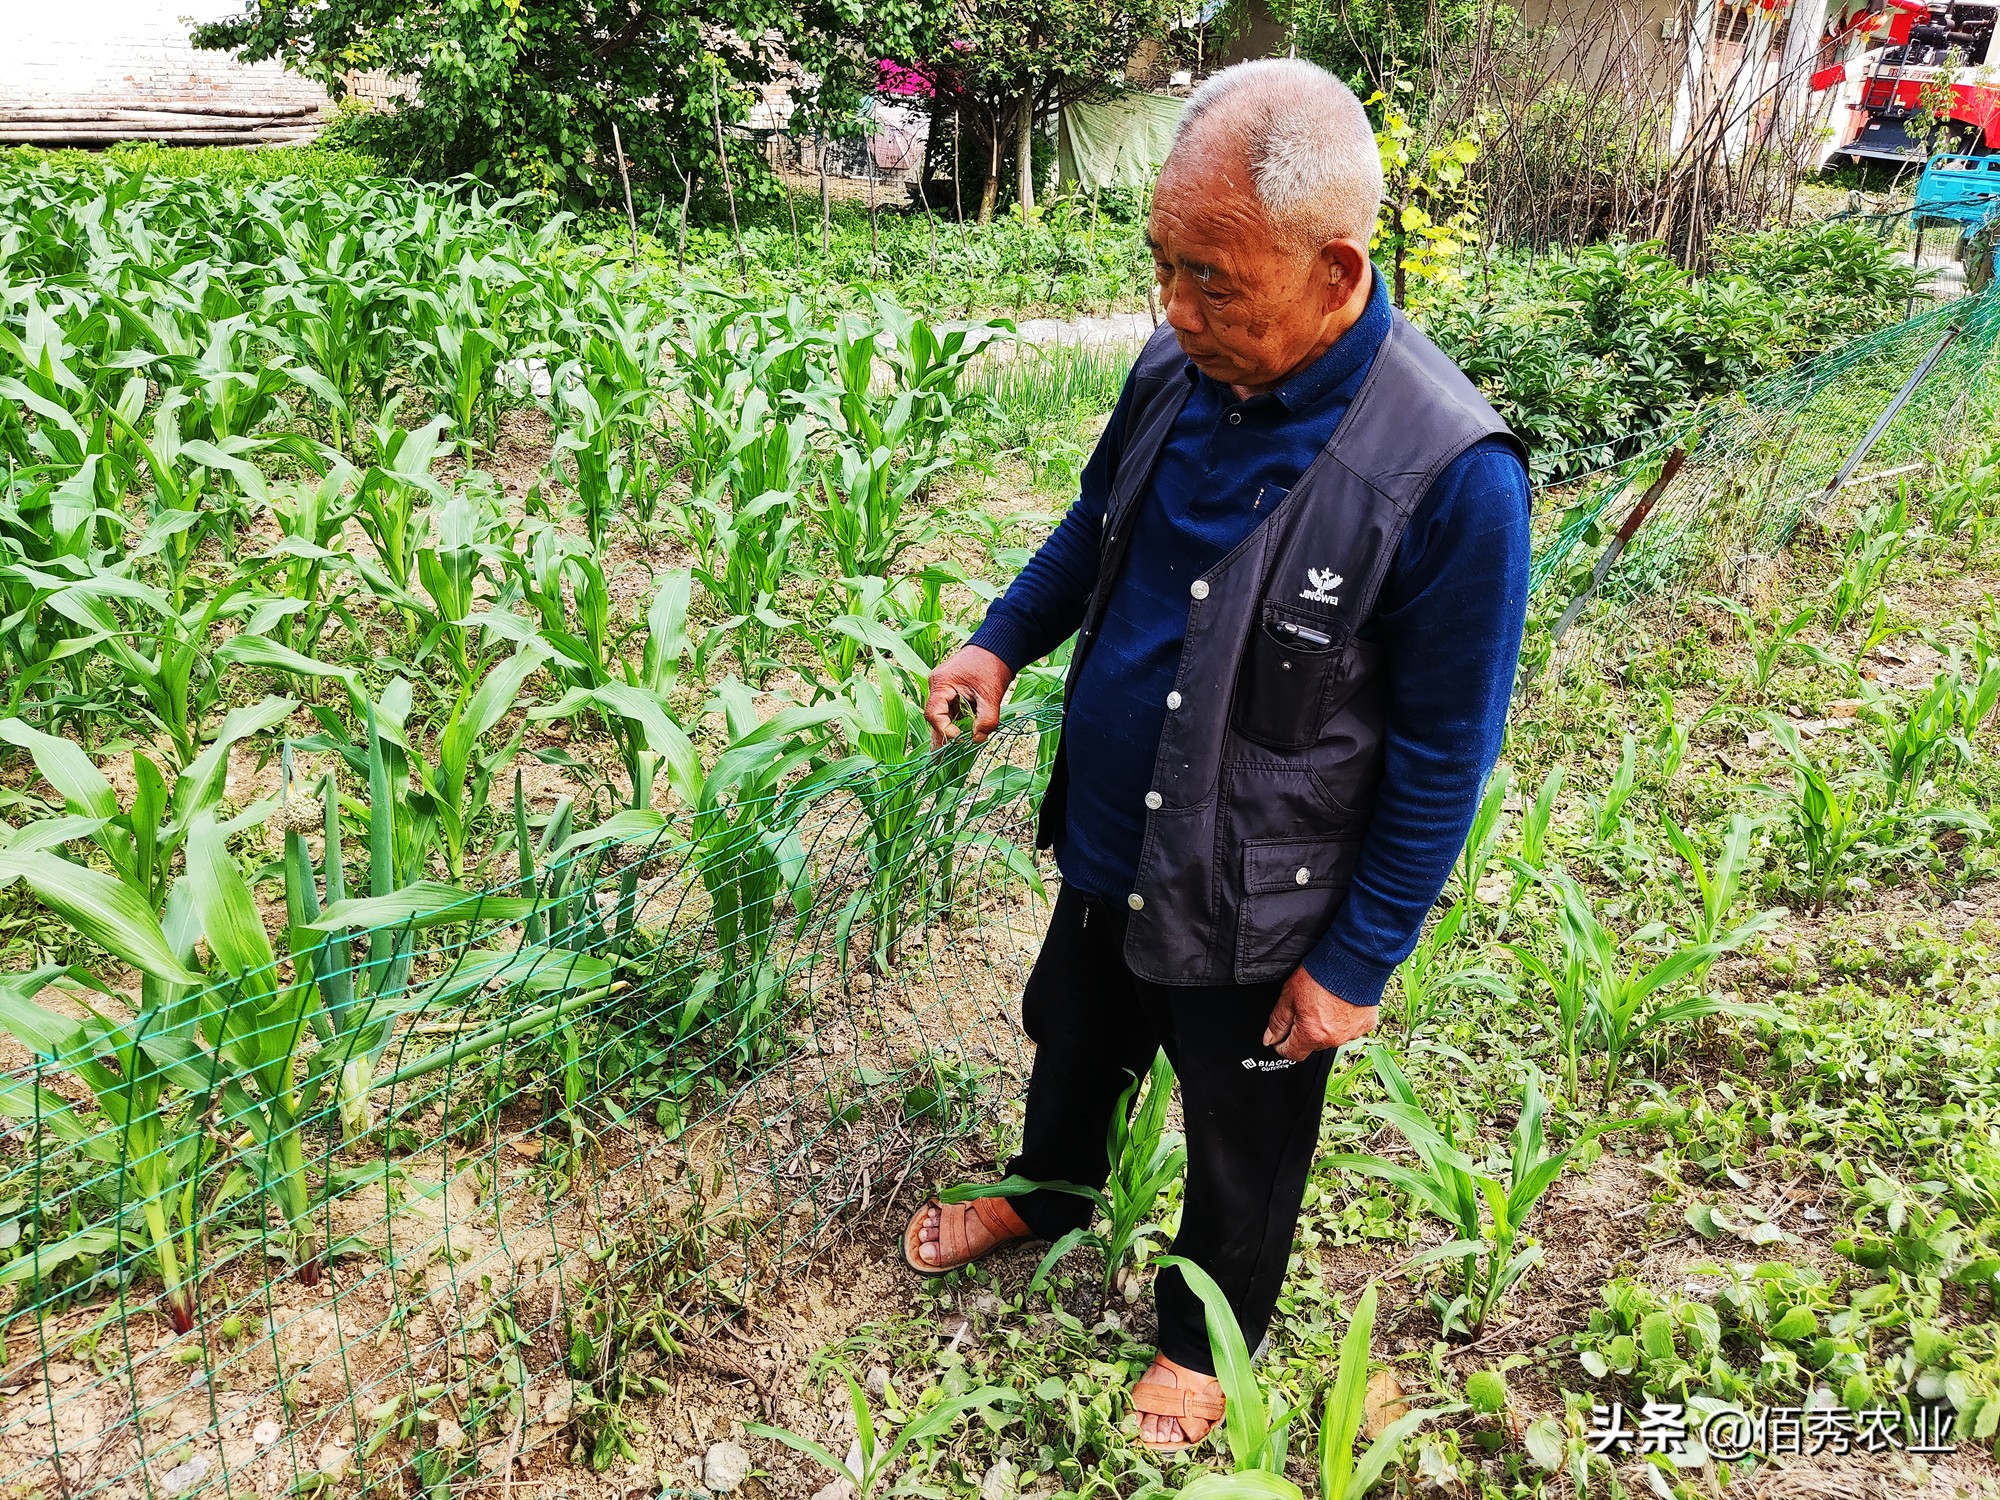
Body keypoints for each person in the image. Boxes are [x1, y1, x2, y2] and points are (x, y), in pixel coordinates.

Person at [903, 57, 1532, 1452]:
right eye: (1163, 270)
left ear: (1336, 270)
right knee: (1073, 1035)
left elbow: (1445, 750)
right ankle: (1049, 1192)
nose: (1177, 313)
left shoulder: (1451, 475)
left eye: (1217, 284)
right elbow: (1091, 532)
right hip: (1118, 831)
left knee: (1244, 1129)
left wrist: (1358, 959)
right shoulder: (1174, 370)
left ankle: (1208, 1338)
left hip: (1266, 890)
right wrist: (1001, 641)